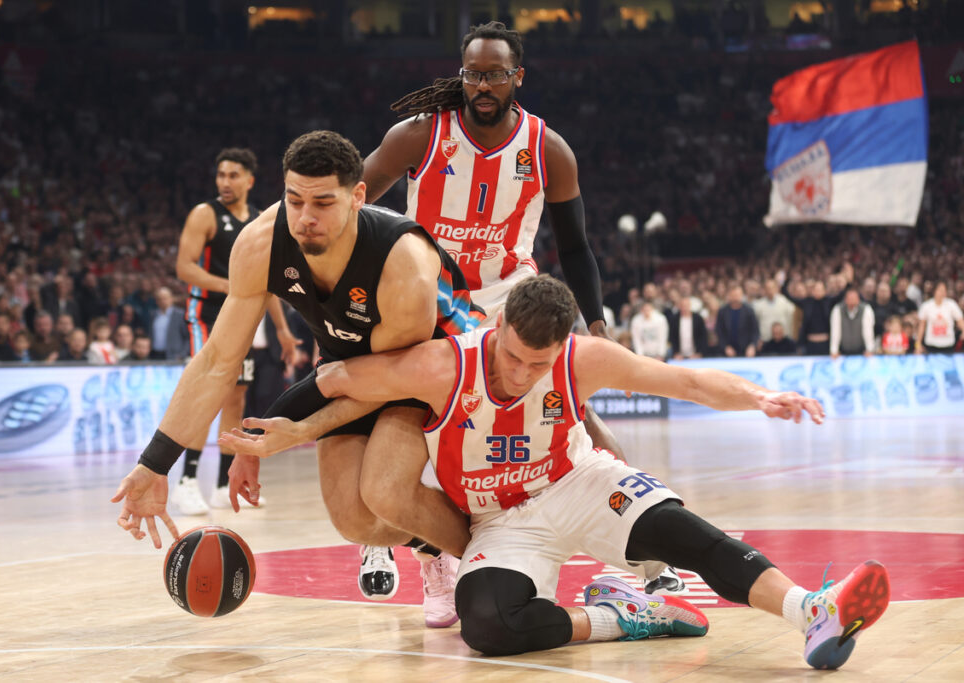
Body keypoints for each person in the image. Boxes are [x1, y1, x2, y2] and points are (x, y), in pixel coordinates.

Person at [227, 275, 889, 670]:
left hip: (576, 481)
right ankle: (626, 614)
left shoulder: (580, 358)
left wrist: (760, 397)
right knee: (485, 623)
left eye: (539, 364)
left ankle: (814, 610)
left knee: (683, 531)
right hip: (500, 519)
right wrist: (263, 439)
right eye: (514, 357)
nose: (521, 374)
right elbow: (338, 378)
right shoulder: (441, 364)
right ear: (497, 327)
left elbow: (681, 378)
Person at [113, 131, 484, 629]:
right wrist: (155, 465)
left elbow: (391, 378)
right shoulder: (262, 243)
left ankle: (494, 558)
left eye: (324, 203)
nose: (306, 217)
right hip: (343, 364)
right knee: (354, 520)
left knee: (386, 490)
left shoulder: (404, 265)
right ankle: (431, 546)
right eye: (294, 199)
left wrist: (291, 430)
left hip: (429, 366)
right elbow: (216, 361)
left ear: (357, 197)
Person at [353, 20, 666, 598]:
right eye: (473, 73)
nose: (483, 85)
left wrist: (596, 327)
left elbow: (574, 247)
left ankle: (651, 556)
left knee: (579, 418)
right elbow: (354, 200)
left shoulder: (549, 149)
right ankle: (398, 544)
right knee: (403, 419)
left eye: (495, 74)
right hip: (431, 298)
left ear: (517, 76)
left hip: (510, 303)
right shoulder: (418, 134)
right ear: (463, 75)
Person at [171, 147, 299, 515]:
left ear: (249, 180)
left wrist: (282, 330)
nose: (225, 182)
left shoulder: (260, 220)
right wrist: (231, 286)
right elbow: (184, 268)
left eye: (232, 175)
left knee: (236, 398)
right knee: (207, 394)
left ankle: (226, 483)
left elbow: (267, 283)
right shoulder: (205, 214)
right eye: (221, 175)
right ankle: (187, 480)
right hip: (206, 315)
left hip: (244, 318)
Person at [916, 281, 964, 354]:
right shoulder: (926, 306)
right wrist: (918, 343)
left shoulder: (951, 304)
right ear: (934, 291)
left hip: (948, 345)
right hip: (931, 345)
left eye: (944, 291)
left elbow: (960, 320)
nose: (942, 293)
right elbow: (921, 326)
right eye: (940, 290)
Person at [829, 288, 875, 358]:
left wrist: (869, 349)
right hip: (843, 352)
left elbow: (868, 331)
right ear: (845, 299)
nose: (852, 300)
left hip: (861, 352)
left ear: (858, 299)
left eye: (854, 298)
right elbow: (835, 331)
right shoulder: (837, 309)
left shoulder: (866, 309)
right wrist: (834, 350)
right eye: (850, 298)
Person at [715, 285, 760, 358]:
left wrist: (752, 346)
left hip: (746, 351)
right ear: (729, 296)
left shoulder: (749, 311)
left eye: (737, 295)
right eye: (733, 295)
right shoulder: (723, 312)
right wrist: (725, 347)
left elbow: (755, 331)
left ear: (742, 295)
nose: (735, 298)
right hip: (727, 352)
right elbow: (719, 331)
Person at [149, 287, 188, 361]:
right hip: (155, 355)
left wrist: (182, 354)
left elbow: (187, 337)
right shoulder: (153, 315)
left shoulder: (180, 315)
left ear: (171, 299)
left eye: (165, 298)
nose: (162, 301)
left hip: (173, 356)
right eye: (159, 299)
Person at [668, 296, 707, 360]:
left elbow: (703, 337)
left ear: (690, 306)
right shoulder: (674, 320)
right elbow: (672, 337)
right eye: (682, 305)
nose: (684, 308)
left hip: (695, 355)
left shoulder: (698, 319)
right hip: (679, 356)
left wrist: (700, 353)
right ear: (679, 306)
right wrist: (675, 353)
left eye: (686, 305)